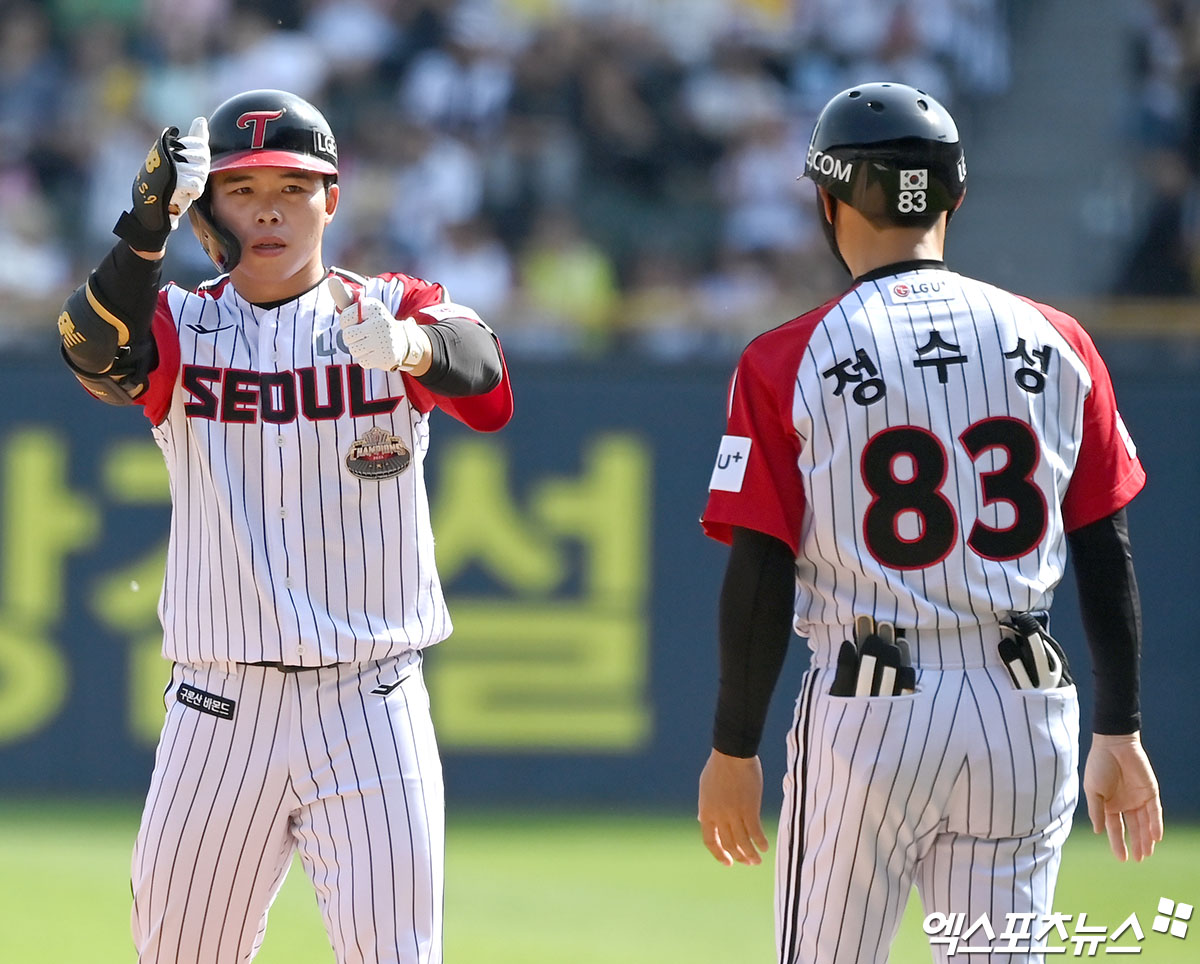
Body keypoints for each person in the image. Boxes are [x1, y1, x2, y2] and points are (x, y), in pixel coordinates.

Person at [696, 82, 1162, 963]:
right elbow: (1106, 544)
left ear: (830, 203)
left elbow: (757, 570)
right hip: (1026, 700)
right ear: (955, 195)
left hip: (870, 706)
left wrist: (733, 747)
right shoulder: (1057, 338)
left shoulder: (787, 358)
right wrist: (1121, 725)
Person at [55, 88, 512, 964]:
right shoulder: (181, 323)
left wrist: (411, 349)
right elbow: (91, 349)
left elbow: (488, 379)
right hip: (218, 706)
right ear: (207, 213)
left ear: (332, 200)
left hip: (371, 700)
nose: (269, 209)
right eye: (243, 188)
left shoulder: (387, 304)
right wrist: (142, 228)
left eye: (295, 187)